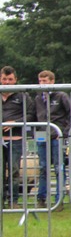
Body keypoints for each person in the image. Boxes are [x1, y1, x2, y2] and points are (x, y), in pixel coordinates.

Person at [32, 70, 71, 209]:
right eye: (40, 81)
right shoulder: (38, 98)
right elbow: (34, 116)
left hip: (57, 136)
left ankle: (59, 200)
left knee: (59, 167)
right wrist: (35, 132)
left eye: (45, 81)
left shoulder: (61, 96)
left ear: (52, 81)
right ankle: (41, 198)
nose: (42, 84)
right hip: (42, 136)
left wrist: (64, 132)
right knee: (43, 168)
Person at [1, 67, 30, 206]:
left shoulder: (22, 95)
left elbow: (31, 114)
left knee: (14, 171)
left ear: (15, 80)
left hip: (15, 140)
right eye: (4, 79)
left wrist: (16, 123)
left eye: (10, 79)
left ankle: (13, 200)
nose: (7, 82)